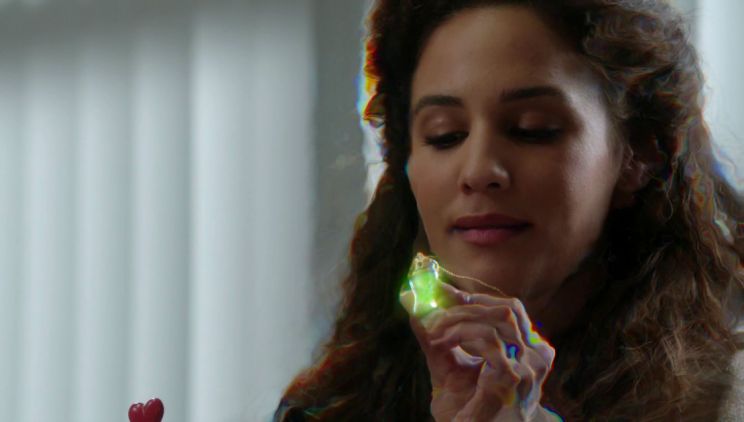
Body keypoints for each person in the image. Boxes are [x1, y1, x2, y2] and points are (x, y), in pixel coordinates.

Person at [275, 0, 744, 420]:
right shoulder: (336, 407)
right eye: (444, 135)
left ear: (637, 155)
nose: (478, 170)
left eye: (532, 129)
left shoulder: (726, 398)